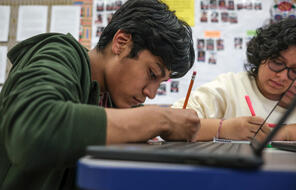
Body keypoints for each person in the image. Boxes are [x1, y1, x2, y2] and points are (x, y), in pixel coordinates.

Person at [0, 0, 200, 189]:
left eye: (160, 83)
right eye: (152, 74)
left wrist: (225, 128)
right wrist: (160, 119)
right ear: (121, 43)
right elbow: (32, 128)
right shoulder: (60, 53)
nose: (151, 93)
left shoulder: (111, 99)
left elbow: (177, 125)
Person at [172, 18, 296, 141]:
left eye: (294, 71)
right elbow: (173, 122)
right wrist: (223, 129)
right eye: (277, 63)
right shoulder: (230, 87)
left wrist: (287, 133)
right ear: (262, 55)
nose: (283, 76)